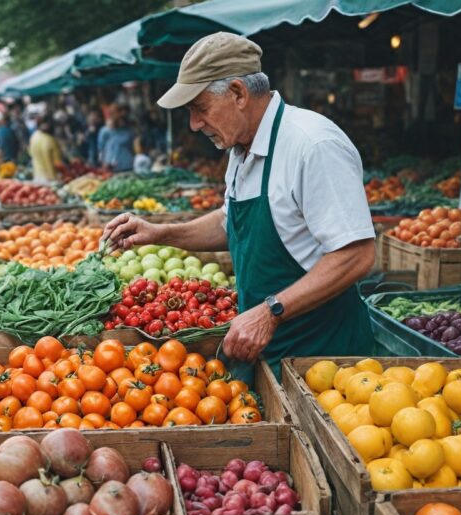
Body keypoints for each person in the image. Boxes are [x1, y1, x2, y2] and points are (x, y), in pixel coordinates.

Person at [103, 32, 375, 377]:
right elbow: (230, 221)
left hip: (324, 359)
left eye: (200, 108)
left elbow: (356, 254)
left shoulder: (312, 145)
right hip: (266, 350)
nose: (194, 124)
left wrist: (270, 311)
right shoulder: (243, 149)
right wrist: (160, 233)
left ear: (237, 93)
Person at [99, 105, 135, 172]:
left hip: (127, 165)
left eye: (123, 118)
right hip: (111, 166)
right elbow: (102, 149)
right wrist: (104, 162)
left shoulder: (129, 132)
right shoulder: (106, 131)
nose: (121, 122)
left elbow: (133, 148)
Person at [28, 116, 63, 182]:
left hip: (37, 176)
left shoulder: (33, 136)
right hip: (51, 178)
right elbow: (58, 162)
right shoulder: (50, 139)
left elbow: (30, 153)